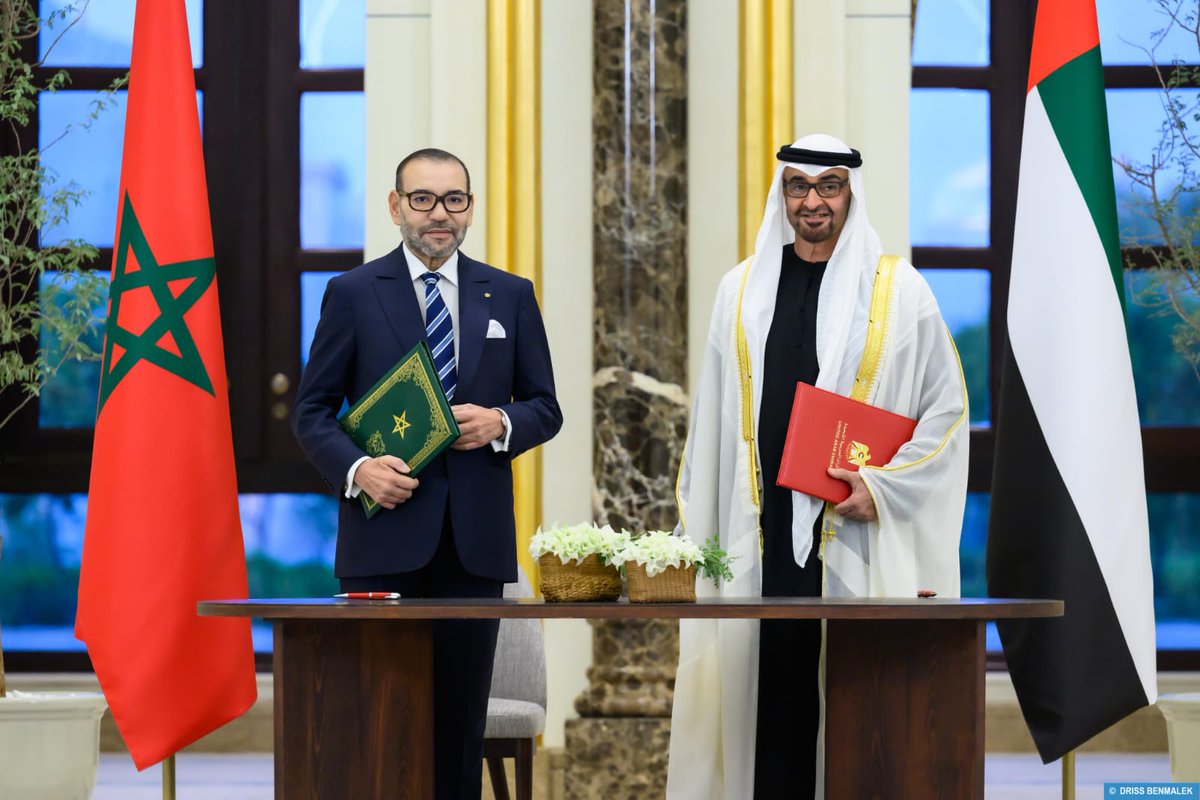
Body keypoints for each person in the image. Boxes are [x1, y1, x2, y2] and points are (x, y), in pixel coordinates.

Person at [666, 134, 969, 800]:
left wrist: (883, 489)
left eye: (828, 186)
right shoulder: (739, 289)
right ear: (782, 195)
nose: (813, 201)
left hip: (850, 529)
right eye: (798, 187)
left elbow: (945, 416)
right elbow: (712, 417)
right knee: (767, 692)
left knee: (851, 701)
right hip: (760, 529)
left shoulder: (900, 291)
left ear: (849, 195)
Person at [292, 147, 562, 800]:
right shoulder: (352, 294)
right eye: (423, 199)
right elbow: (311, 412)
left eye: (454, 200)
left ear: (469, 207)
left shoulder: (512, 295)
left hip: (474, 548)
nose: (439, 214)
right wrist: (359, 469)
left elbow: (545, 409)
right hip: (380, 542)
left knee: (458, 729)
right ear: (396, 207)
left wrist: (500, 424)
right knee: (378, 721)